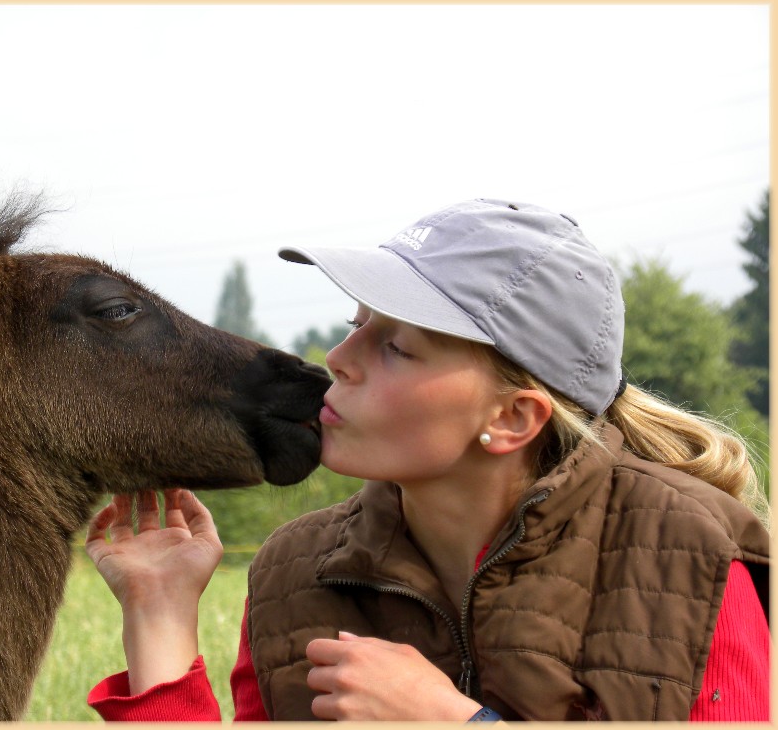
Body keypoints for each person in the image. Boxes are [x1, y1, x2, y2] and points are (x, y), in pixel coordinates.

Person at [84, 199, 770, 722]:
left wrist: (457, 722)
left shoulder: (685, 556)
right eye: (358, 323)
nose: (338, 360)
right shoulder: (293, 572)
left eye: (397, 347)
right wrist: (159, 610)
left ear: (512, 418)